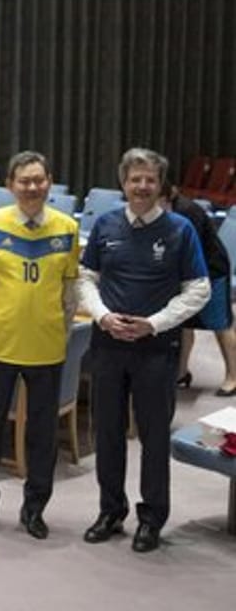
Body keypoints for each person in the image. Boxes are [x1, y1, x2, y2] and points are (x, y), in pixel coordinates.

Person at [78, 149, 210, 552]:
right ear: (123, 183)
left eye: (150, 180)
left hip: (157, 351)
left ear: (160, 185)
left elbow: (199, 288)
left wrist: (154, 323)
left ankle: (151, 518)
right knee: (109, 432)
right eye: (135, 179)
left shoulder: (180, 230)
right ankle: (110, 510)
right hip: (108, 346)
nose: (142, 186)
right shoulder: (105, 225)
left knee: (153, 438)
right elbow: (85, 279)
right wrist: (102, 317)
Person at [0, 151, 80, 539]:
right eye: (24, 181)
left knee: (42, 436)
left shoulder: (67, 228)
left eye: (39, 180)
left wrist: (60, 330)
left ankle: (35, 508)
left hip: (47, 349)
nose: (32, 187)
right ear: (10, 185)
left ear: (49, 182)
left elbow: (70, 292)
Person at [164, 182, 236, 395]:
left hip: (211, 271)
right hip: (187, 274)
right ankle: (181, 372)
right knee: (184, 323)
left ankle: (233, 376)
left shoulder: (187, 211)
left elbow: (187, 249)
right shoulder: (164, 210)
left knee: (220, 325)